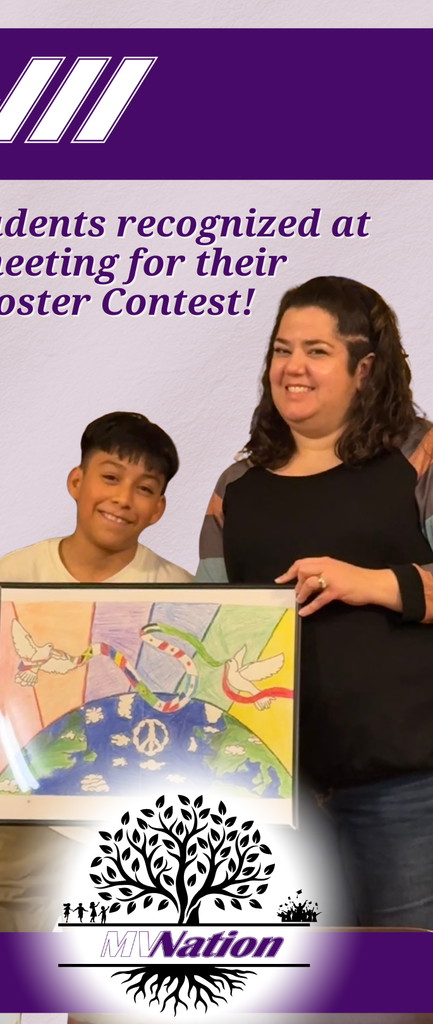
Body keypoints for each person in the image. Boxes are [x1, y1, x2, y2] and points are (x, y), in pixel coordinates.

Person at [197, 276, 433, 927]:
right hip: (277, 801)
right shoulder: (236, 488)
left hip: (410, 789)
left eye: (316, 350)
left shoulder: (419, 455)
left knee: (407, 988)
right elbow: (210, 632)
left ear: (367, 367)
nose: (292, 367)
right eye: (281, 349)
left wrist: (370, 581)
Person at [0, 411, 193, 935]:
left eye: (144, 488)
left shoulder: (180, 590)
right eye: (109, 477)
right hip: (21, 810)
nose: (123, 498)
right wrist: (25, 779)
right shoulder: (16, 571)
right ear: (76, 482)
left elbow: (180, 720)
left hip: (133, 830)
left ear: (159, 509)